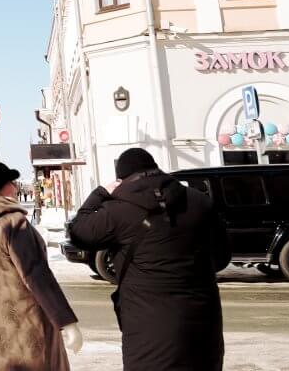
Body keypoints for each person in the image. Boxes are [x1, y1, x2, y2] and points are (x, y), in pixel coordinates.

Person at [67, 148, 230, 371]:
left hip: (148, 332)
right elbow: (221, 258)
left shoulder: (117, 211)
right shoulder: (200, 202)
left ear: (122, 179)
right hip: (203, 326)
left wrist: (100, 192)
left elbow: (78, 232)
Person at [0, 160, 81, 371]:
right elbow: (37, 275)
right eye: (10, 182)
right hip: (24, 331)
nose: (15, 187)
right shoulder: (13, 223)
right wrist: (66, 321)